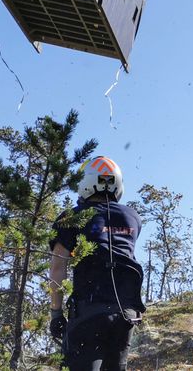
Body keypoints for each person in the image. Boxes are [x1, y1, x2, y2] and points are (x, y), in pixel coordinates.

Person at [48, 156, 146, 371]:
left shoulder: (71, 218)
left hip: (88, 310)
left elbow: (58, 268)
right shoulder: (133, 218)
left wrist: (56, 314)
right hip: (126, 313)